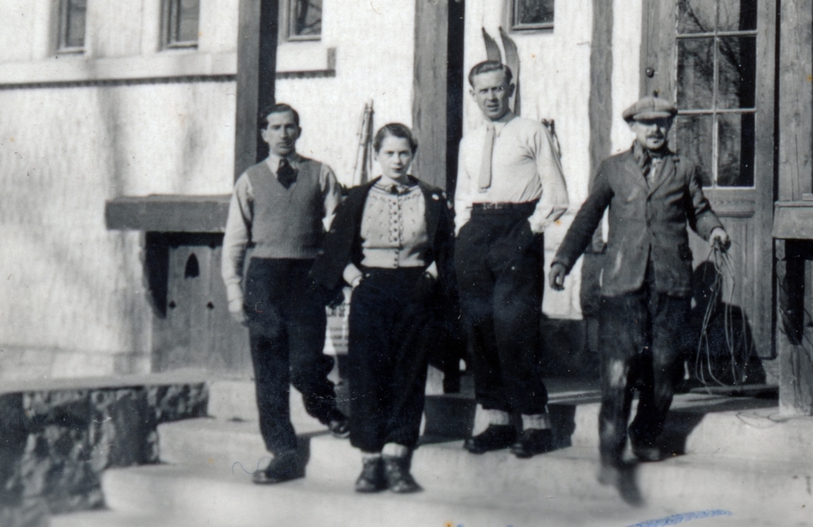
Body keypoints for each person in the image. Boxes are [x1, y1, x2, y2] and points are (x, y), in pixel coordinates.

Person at [549, 96, 730, 486]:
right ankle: (611, 452)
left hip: (670, 283)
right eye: (646, 123)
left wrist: (714, 229)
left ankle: (645, 434)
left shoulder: (684, 169)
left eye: (662, 123)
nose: (655, 130)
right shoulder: (613, 168)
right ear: (633, 126)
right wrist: (563, 261)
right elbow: (587, 217)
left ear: (670, 126)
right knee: (616, 371)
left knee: (665, 367)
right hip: (622, 284)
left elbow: (699, 211)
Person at [310, 122, 454, 495]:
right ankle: (370, 459)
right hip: (371, 291)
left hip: (414, 290)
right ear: (377, 156)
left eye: (403, 153)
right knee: (367, 373)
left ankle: (397, 456)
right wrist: (356, 279)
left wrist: (430, 278)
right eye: (389, 153)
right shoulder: (357, 198)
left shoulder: (431, 197)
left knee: (409, 372)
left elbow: (447, 251)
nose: (397, 160)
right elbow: (334, 250)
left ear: (412, 155)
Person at [221, 103, 349, 485]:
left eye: (289, 127)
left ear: (299, 130)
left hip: (306, 278)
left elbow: (339, 230)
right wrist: (232, 291)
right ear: (264, 134)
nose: (283, 134)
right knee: (270, 372)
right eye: (275, 128)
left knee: (306, 363)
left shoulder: (320, 173)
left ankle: (325, 408)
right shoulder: (249, 180)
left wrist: (335, 276)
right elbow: (235, 240)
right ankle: (282, 451)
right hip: (264, 280)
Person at [454, 59, 569, 458]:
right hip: (476, 234)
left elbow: (556, 195)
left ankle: (537, 423)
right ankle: (498, 420)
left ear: (511, 89)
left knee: (513, 327)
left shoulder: (531, 131)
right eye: (482, 90)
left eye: (497, 88)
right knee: (480, 328)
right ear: (473, 95)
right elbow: (462, 195)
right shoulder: (469, 141)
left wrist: (527, 232)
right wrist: (463, 233)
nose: (490, 96)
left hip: (517, 229)